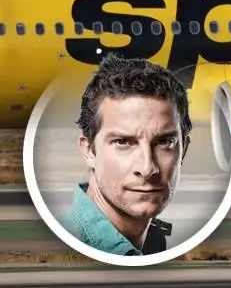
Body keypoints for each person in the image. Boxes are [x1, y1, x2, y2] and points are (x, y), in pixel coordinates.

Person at [58, 53, 192, 256]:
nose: (147, 168)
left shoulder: (160, 243)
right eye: (123, 142)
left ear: (184, 149)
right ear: (88, 150)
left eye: (165, 142)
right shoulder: (64, 252)